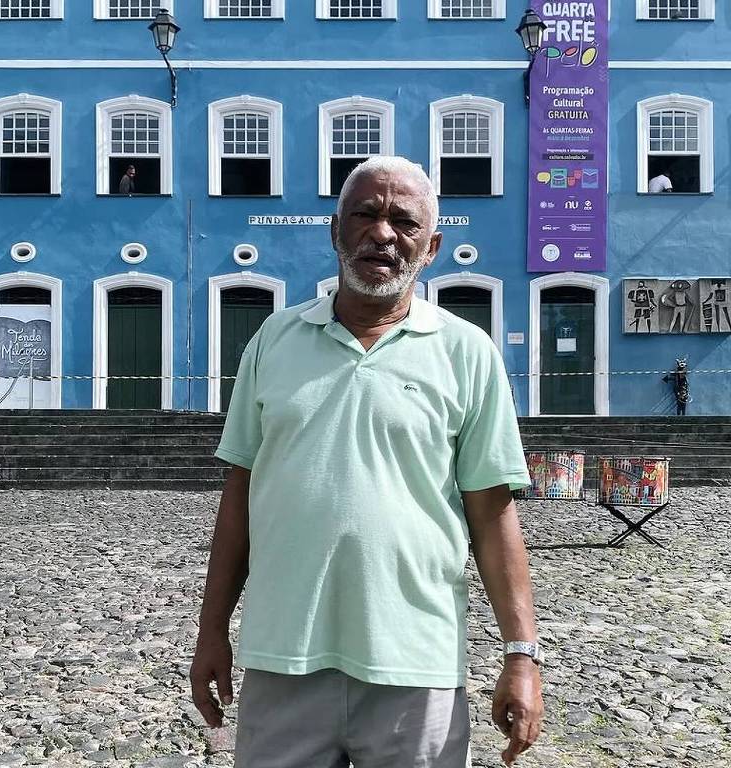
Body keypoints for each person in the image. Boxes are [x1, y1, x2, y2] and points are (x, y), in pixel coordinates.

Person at [190, 156, 544, 767]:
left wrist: (521, 653)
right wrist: (211, 628)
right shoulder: (272, 342)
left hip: (416, 658)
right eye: (365, 215)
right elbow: (240, 497)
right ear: (336, 231)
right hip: (283, 655)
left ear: (430, 248)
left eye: (404, 223)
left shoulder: (468, 353)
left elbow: (492, 514)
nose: (382, 234)